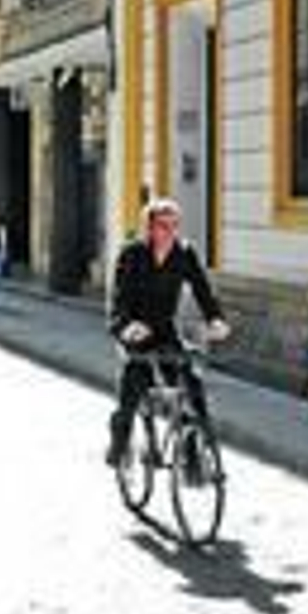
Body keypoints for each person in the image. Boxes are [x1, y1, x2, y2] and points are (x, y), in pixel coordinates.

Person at [106, 198, 231, 466]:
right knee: (134, 383)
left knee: (189, 381)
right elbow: (119, 299)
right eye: (163, 226)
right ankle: (120, 439)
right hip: (135, 330)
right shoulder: (132, 253)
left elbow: (202, 290)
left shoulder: (184, 253)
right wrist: (126, 327)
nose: (170, 232)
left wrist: (215, 320)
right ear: (149, 228)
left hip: (165, 330)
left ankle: (200, 440)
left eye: (174, 226)